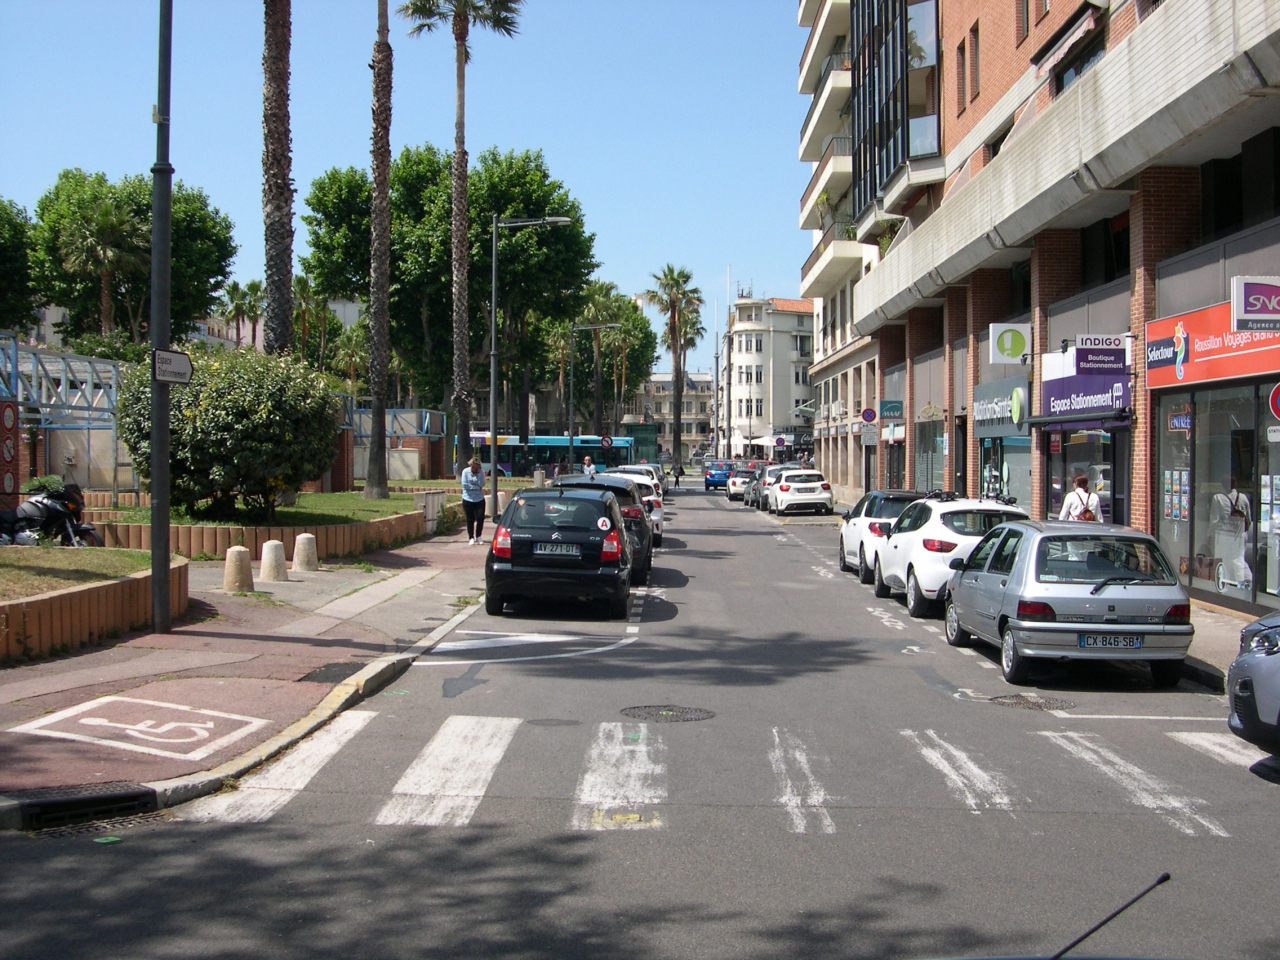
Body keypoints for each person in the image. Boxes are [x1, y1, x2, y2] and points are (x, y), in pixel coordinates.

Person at [460, 455, 487, 545]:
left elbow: (482, 484)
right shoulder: (465, 472)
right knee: (470, 518)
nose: (474, 469)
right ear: (471, 465)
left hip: (479, 498)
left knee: (480, 517)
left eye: (476, 467)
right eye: (473, 467)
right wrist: (476, 487)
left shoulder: (481, 472)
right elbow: (465, 485)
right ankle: (471, 537)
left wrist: (479, 474)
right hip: (468, 498)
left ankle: (478, 536)